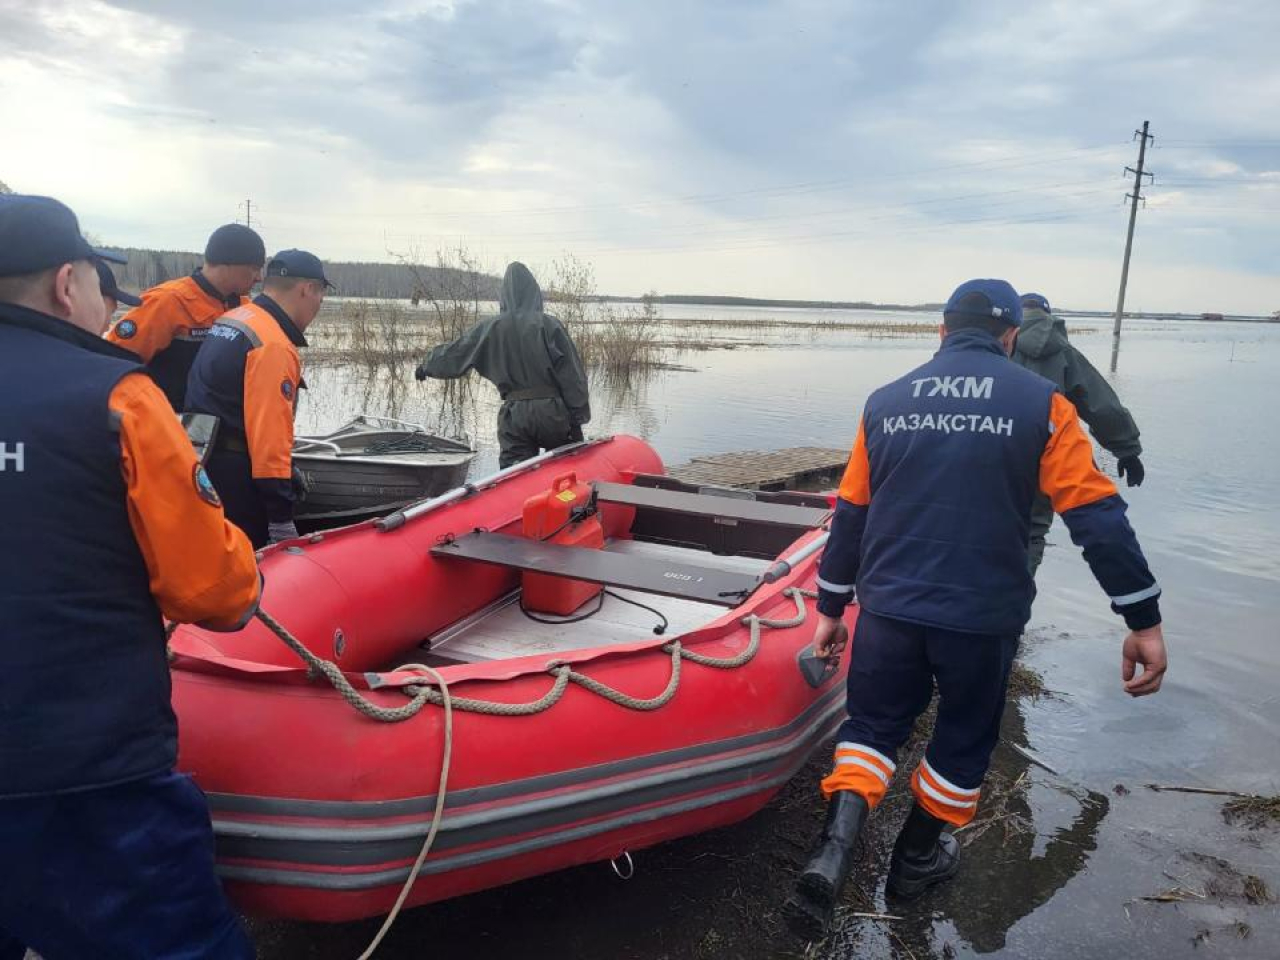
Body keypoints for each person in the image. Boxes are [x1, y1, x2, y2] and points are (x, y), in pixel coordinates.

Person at [784, 279, 1168, 940]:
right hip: (980, 616)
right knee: (961, 739)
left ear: (941, 331)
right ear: (1010, 336)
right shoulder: (1042, 404)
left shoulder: (884, 403)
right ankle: (915, 861)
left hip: (890, 609)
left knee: (873, 727)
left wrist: (830, 609)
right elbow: (1096, 519)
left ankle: (832, 852)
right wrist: (1143, 619)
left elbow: (849, 515)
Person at [0, 195, 262, 958]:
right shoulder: (117, 397)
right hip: (83, 770)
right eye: (97, 281)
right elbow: (212, 591)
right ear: (64, 282)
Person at [186, 249, 330, 548]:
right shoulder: (272, 345)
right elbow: (270, 440)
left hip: (202, 463)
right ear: (308, 289)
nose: (320, 304)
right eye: (321, 295)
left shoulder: (234, 318)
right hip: (237, 480)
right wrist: (280, 516)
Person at [1013, 292, 1145, 574]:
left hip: (990, 453)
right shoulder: (1063, 353)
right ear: (1047, 315)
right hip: (1045, 456)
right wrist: (1127, 450)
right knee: (1032, 531)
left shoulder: (995, 341)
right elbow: (1100, 404)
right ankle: (1014, 607)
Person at [415, 261, 591, 467]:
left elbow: (455, 353)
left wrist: (426, 365)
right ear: (534, 292)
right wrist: (577, 419)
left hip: (514, 416)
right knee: (565, 472)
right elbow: (573, 377)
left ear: (504, 294)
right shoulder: (550, 326)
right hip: (553, 414)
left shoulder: (490, 328)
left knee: (513, 477)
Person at [107, 223, 265, 410]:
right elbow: (111, 363)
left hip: (215, 428)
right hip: (166, 423)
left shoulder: (243, 307)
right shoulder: (167, 302)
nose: (259, 278)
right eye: (255, 268)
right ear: (228, 264)